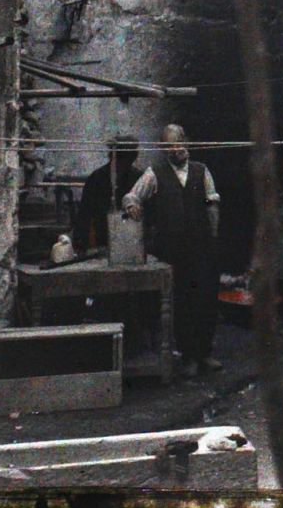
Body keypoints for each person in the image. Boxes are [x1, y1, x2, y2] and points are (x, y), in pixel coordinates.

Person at [123, 124, 222, 376]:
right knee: (182, 302)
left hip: (201, 247)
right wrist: (132, 205)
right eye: (168, 145)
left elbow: (212, 204)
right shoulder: (154, 173)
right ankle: (189, 356)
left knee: (206, 299)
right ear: (163, 149)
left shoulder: (201, 171)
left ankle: (205, 353)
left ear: (186, 141)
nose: (174, 149)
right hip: (173, 250)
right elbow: (131, 196)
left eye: (177, 142)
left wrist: (213, 237)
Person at [73, 136, 141, 254]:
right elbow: (85, 214)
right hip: (103, 241)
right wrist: (80, 245)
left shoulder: (139, 178)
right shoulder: (97, 178)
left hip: (133, 240)